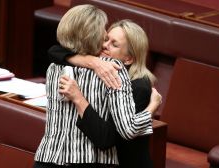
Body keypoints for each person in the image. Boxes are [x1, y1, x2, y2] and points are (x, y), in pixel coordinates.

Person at [34, 4, 154, 168]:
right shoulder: (109, 69)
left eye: (114, 44)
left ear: (128, 59)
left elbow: (119, 135)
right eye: (105, 39)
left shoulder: (54, 67)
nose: (105, 45)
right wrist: (153, 107)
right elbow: (55, 50)